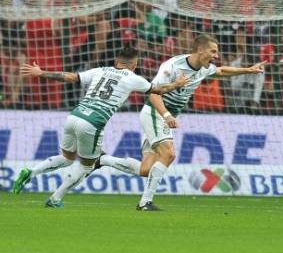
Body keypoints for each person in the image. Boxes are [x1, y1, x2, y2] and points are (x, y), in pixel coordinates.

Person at [96, 34, 266, 211]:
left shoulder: (203, 68)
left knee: (146, 169)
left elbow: (221, 71)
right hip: (156, 113)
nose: (216, 56)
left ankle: (103, 159)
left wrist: (248, 70)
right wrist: (167, 115)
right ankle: (145, 202)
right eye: (213, 51)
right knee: (169, 154)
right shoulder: (172, 66)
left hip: (163, 116)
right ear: (200, 50)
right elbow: (153, 94)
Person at [11, 47, 190, 207]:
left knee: (67, 158)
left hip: (75, 115)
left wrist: (41, 73)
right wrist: (177, 84)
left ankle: (31, 171)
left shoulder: (99, 70)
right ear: (134, 65)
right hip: (92, 123)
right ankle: (55, 199)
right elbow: (158, 90)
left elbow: (71, 77)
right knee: (87, 165)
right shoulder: (133, 78)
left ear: (115, 62)